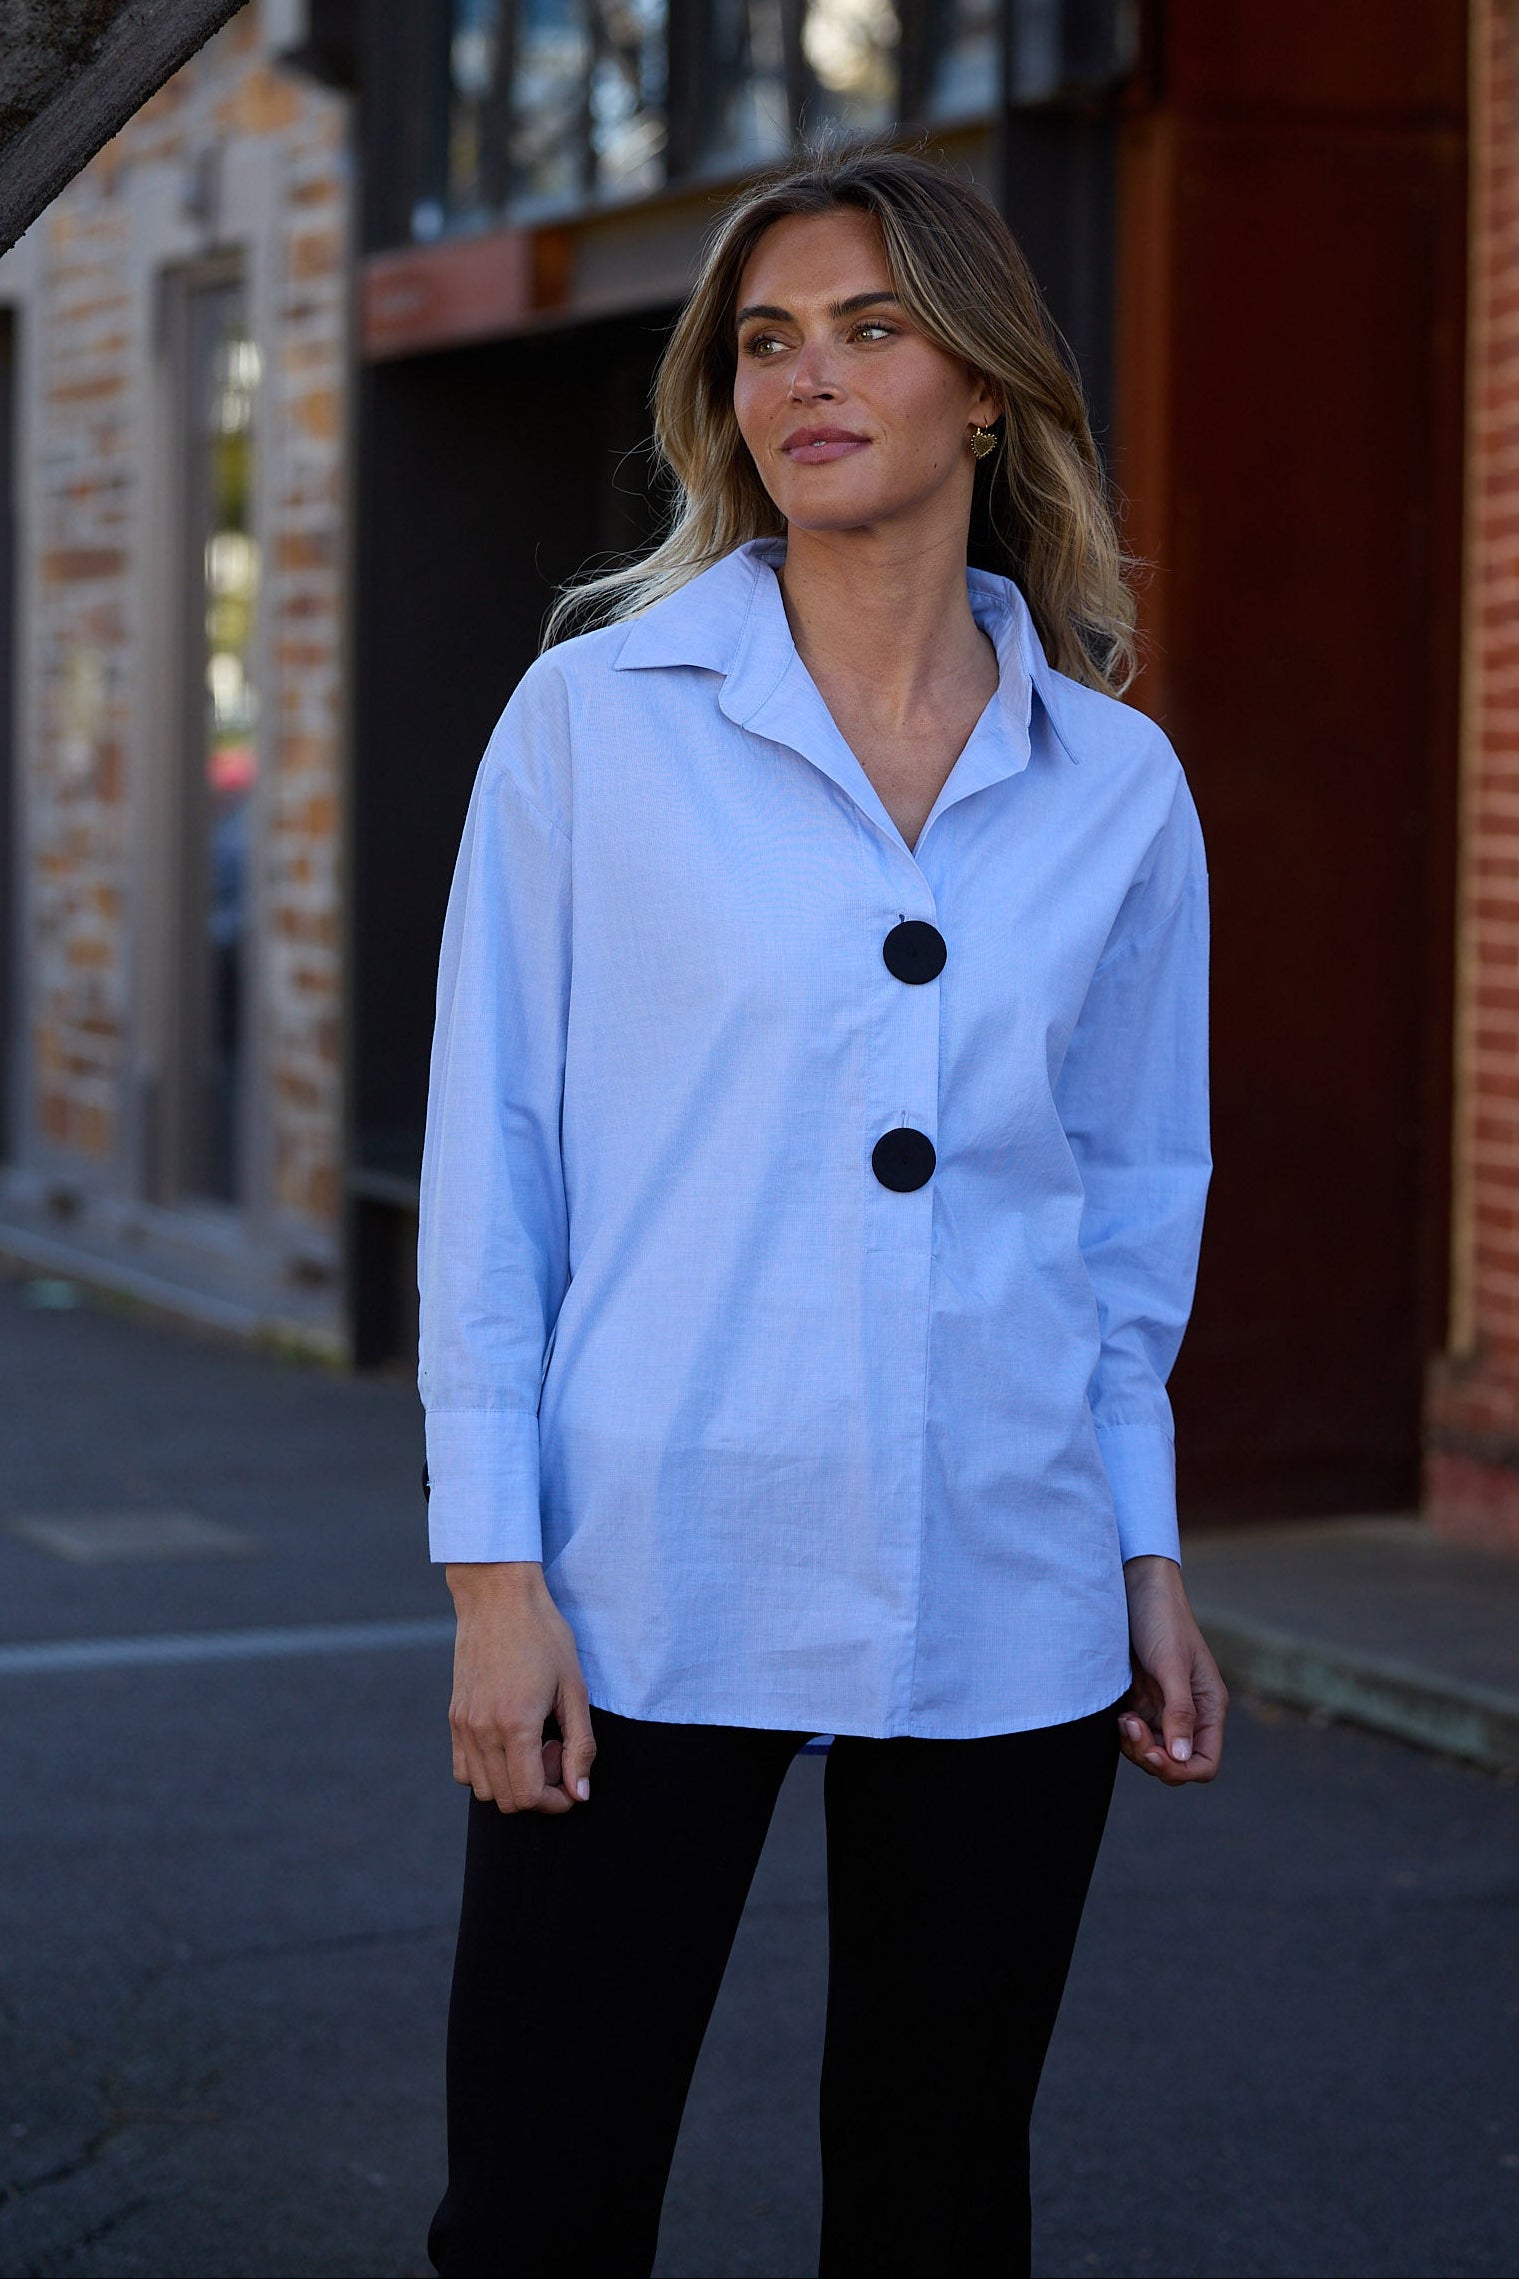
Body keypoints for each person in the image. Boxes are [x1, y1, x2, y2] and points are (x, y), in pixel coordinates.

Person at [418, 145, 1226, 2279]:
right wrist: (495, 1573)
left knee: (939, 2195)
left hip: (1010, 1560)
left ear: (987, 389)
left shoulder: (1114, 783)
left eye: (871, 325)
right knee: (536, 2199)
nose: (808, 377)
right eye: (766, 339)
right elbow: (496, 1160)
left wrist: (1139, 1547)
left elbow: (1132, 1203)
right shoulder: (595, 721)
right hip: (648, 1565)